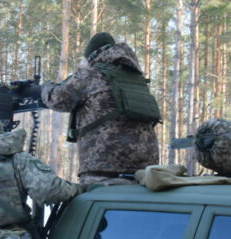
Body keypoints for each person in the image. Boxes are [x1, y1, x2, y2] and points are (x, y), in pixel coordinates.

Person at [41, 32, 160, 185]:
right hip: (145, 171)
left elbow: (57, 99)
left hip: (104, 168)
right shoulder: (136, 78)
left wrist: (45, 87)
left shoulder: (90, 74)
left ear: (91, 56)